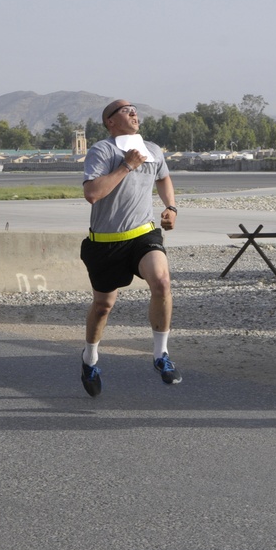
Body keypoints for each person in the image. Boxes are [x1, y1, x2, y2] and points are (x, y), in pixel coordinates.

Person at [78, 99, 181, 396]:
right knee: (103, 307)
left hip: (143, 236)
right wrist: (126, 166)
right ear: (110, 121)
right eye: (125, 110)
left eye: (134, 108)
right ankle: (90, 358)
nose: (133, 112)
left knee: (162, 282)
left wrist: (171, 207)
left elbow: (164, 177)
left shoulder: (153, 149)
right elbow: (92, 194)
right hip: (105, 244)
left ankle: (161, 355)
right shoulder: (103, 150)